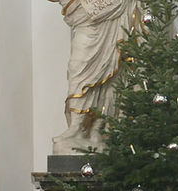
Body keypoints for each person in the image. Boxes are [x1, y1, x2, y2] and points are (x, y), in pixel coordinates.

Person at [51, 0, 140, 154]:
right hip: (87, 13)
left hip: (117, 8)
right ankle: (76, 128)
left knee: (114, 71)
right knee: (78, 69)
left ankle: (98, 131)